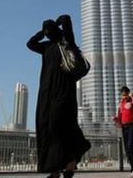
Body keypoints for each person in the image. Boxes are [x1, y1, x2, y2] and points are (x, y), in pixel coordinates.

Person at [27, 15, 91, 178]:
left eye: (49, 30)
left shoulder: (66, 41)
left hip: (64, 91)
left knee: (60, 125)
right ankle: (55, 171)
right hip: (46, 94)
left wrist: (56, 23)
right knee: (47, 128)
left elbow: (67, 19)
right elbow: (30, 44)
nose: (48, 33)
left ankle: (70, 163)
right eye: (45, 30)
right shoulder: (46, 46)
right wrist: (41, 33)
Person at [112, 85, 133, 178]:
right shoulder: (121, 103)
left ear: (128, 93)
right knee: (127, 148)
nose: (124, 97)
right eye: (122, 95)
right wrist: (115, 119)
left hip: (132, 125)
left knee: (130, 145)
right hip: (124, 126)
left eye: (125, 95)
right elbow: (119, 116)